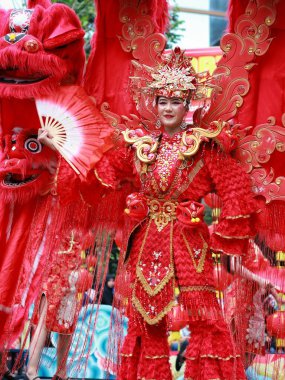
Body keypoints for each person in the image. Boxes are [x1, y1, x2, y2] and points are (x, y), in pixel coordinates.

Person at [94, 47, 257, 379]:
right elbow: (107, 171)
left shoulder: (203, 144)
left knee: (204, 313)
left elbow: (235, 188)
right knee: (145, 318)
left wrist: (229, 239)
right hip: (146, 240)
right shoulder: (140, 146)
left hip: (188, 237)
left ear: (187, 105)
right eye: (163, 102)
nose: (169, 108)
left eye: (176, 101)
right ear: (154, 105)